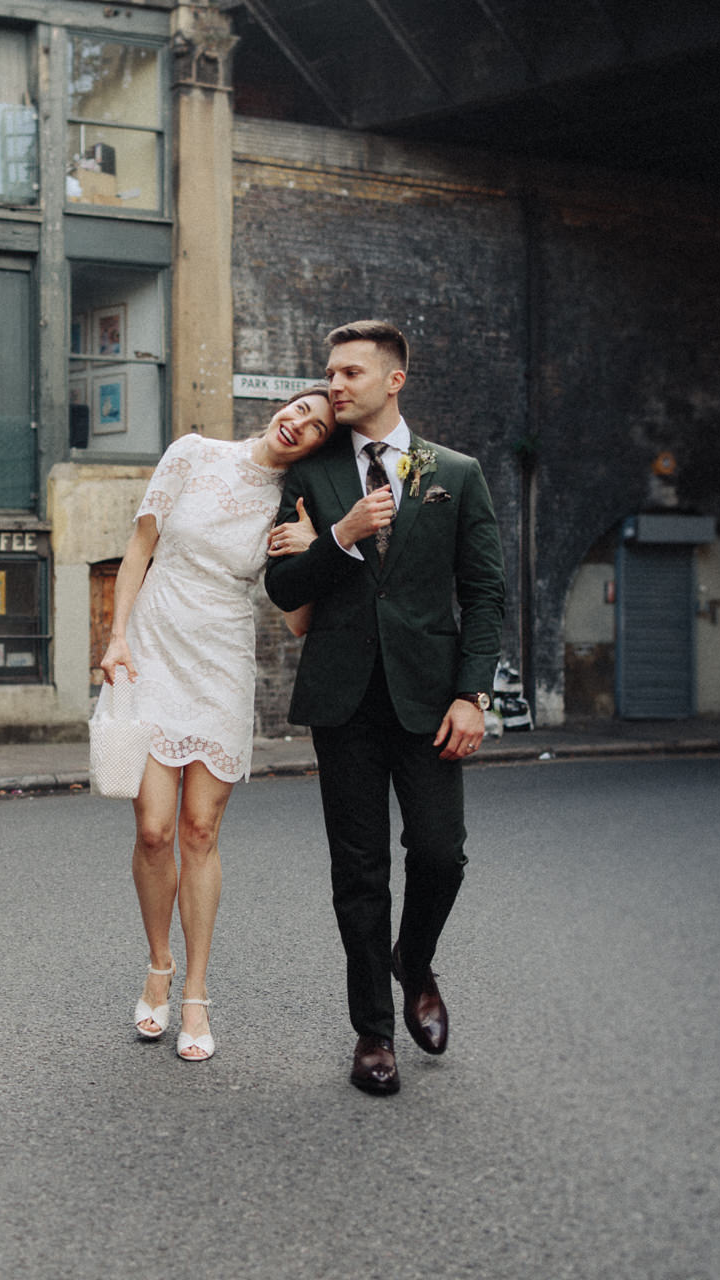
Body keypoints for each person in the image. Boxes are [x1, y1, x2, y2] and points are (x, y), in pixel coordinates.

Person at [264, 319, 505, 1096]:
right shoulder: (313, 473)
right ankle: (372, 1034)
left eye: (351, 374)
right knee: (358, 873)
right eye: (330, 372)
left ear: (394, 380)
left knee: (441, 854)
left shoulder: (455, 472)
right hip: (343, 700)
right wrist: (338, 535)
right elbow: (283, 588)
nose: (335, 385)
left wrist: (473, 694)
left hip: (431, 699)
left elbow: (484, 593)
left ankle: (416, 962)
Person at [99, 385, 335, 1062]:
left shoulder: (295, 501)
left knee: (200, 830)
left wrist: (315, 546)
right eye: (298, 409)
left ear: (320, 445)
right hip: (154, 642)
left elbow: (296, 618)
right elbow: (140, 546)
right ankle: (158, 965)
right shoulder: (194, 453)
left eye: (316, 426)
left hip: (222, 657)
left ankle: (196, 995)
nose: (299, 424)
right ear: (279, 409)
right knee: (153, 829)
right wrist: (116, 638)